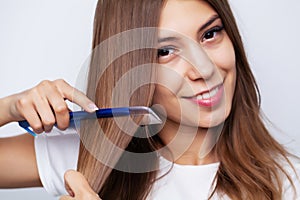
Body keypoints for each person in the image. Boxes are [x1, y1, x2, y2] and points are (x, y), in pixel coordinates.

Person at [0, 0, 299, 200]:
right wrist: (9, 107)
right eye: (165, 52)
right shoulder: (93, 156)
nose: (204, 69)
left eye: (210, 34)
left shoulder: (288, 183)